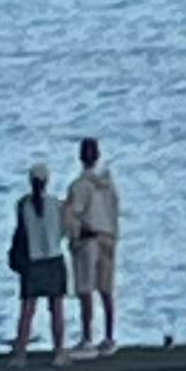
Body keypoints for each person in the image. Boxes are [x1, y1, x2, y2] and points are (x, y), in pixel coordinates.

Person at [63, 137, 121, 352]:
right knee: (106, 289)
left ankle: (87, 337)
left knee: (85, 290)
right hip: (108, 238)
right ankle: (109, 337)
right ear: (97, 156)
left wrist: (73, 232)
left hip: (88, 240)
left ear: (80, 157)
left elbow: (74, 214)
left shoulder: (79, 186)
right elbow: (115, 213)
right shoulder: (108, 186)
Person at [8, 159, 69, 356]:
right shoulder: (57, 204)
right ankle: (59, 351)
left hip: (32, 261)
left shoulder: (22, 205)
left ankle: (21, 352)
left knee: (27, 310)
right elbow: (63, 231)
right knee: (56, 309)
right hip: (53, 259)